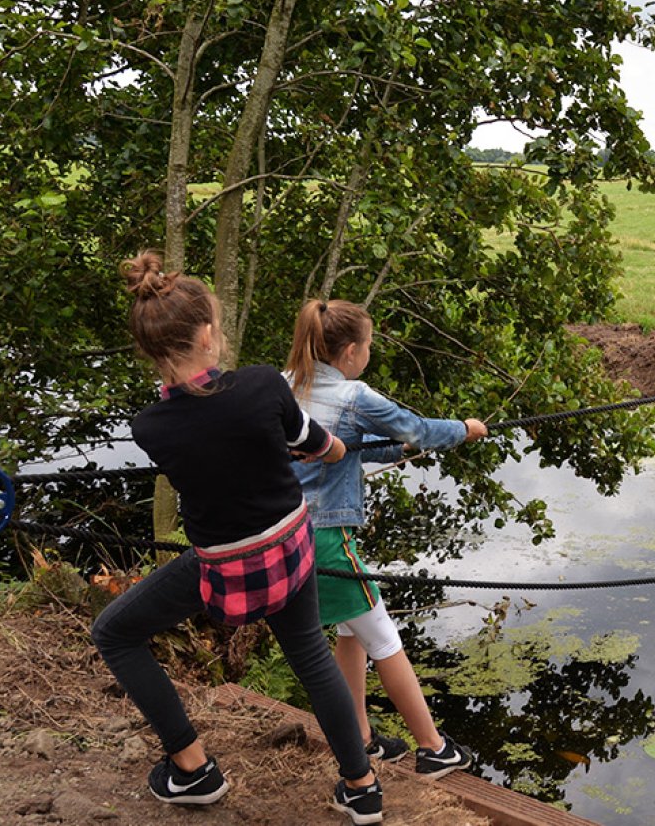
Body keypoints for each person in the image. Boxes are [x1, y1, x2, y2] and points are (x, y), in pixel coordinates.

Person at [90, 254, 385, 825]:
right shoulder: (260, 385)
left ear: (152, 351)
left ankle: (192, 769)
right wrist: (328, 449)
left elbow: (209, 447)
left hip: (223, 569)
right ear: (207, 335)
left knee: (116, 633)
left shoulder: (149, 427)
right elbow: (318, 444)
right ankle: (362, 786)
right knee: (312, 658)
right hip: (290, 549)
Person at [285, 297, 487, 778]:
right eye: (370, 345)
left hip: (288, 533)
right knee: (384, 638)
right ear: (351, 351)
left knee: (350, 632)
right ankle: (434, 747)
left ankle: (361, 736)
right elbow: (418, 429)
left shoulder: (283, 385)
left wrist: (394, 449)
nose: (370, 353)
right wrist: (464, 430)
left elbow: (343, 445)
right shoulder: (354, 396)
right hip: (329, 536)